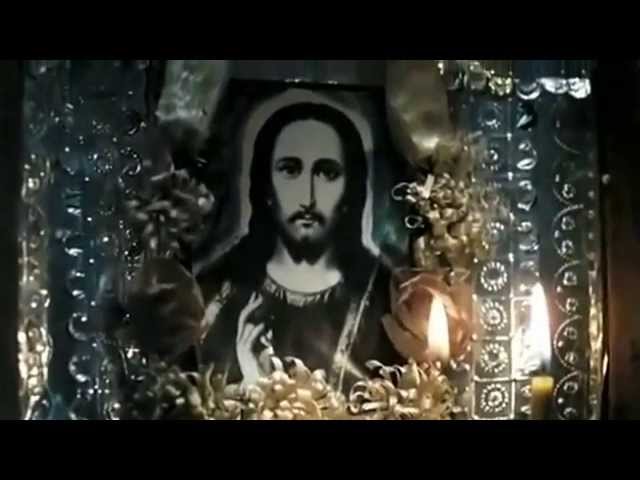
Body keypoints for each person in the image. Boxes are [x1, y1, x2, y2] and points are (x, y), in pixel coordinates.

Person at [197, 101, 403, 392]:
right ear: (265, 184)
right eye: (290, 170)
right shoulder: (214, 292)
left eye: (327, 173)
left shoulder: (386, 297)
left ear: (351, 188)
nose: (308, 198)